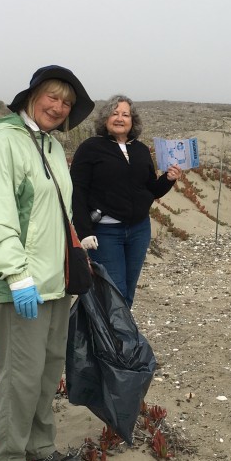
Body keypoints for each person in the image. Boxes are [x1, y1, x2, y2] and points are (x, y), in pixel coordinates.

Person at [0, 64, 94, 461]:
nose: (59, 107)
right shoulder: (5, 142)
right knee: (21, 377)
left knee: (47, 374)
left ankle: (39, 446)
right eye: (52, 97)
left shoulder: (50, 146)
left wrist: (77, 249)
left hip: (57, 281)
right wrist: (16, 275)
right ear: (32, 96)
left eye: (66, 103)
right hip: (24, 284)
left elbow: (56, 213)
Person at [70, 95, 182, 307]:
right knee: (113, 293)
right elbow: (77, 191)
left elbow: (150, 189)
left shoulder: (140, 149)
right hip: (105, 233)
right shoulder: (90, 148)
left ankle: (121, 338)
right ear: (105, 119)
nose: (119, 118)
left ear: (133, 121)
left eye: (125, 114)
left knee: (128, 291)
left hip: (139, 231)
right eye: (114, 113)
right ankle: (114, 339)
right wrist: (84, 232)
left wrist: (168, 179)